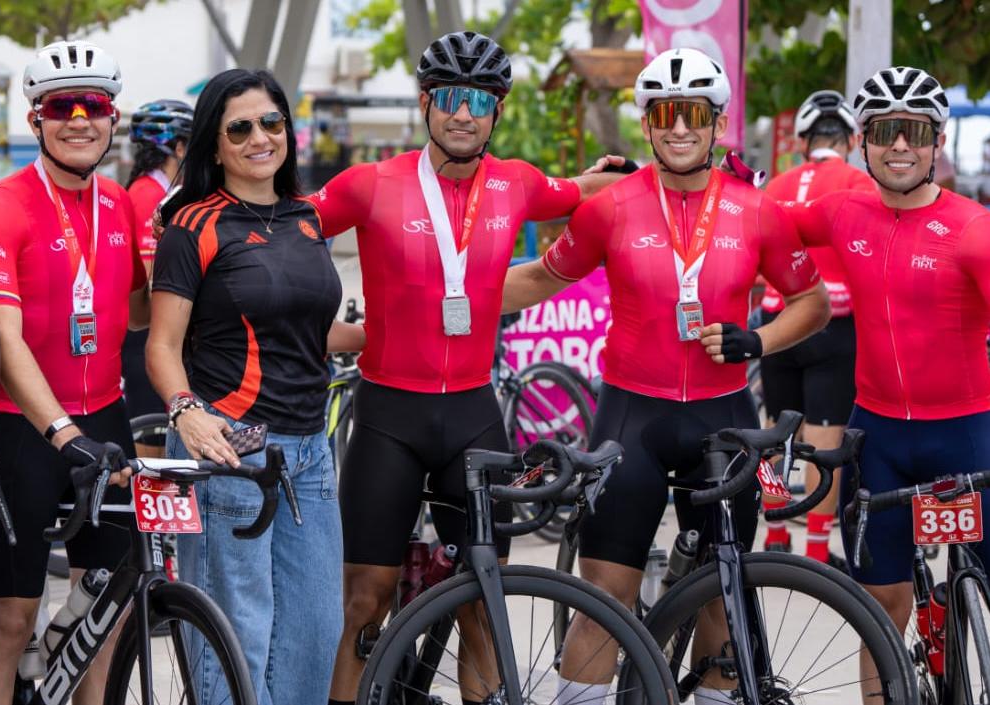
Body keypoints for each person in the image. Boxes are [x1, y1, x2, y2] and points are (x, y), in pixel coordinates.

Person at [308, 31, 628, 705]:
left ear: (495, 112)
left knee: (482, 602)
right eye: (449, 98)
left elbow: (583, 189)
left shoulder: (516, 183)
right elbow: (278, 230)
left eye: (478, 102)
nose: (462, 114)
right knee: (364, 601)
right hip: (387, 416)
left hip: (474, 414)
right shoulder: (369, 184)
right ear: (425, 104)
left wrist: (638, 175)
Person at [503, 47, 829, 703]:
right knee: (604, 593)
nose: (677, 129)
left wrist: (756, 339)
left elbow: (813, 303)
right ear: (646, 122)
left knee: (719, 592)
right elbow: (541, 277)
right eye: (663, 114)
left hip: (722, 417)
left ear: (716, 123)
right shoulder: (610, 207)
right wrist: (437, 295)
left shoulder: (754, 209)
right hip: (631, 418)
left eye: (691, 114)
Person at [147, 68, 361, 705]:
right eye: (238, 128)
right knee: (237, 649)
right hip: (228, 452)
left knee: (316, 638)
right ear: (214, 144)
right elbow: (161, 345)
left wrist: (390, 337)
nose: (259, 138)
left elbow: (306, 332)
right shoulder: (192, 226)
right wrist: (186, 412)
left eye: (271, 122)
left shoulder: (306, 218)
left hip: (310, 454)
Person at [785, 66, 990, 705]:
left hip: (969, 436)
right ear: (864, 141)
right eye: (885, 132)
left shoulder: (975, 227)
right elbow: (760, 223)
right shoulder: (844, 211)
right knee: (881, 606)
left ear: (936, 143)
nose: (900, 145)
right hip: (880, 439)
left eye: (914, 132)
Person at [0, 40, 149, 705]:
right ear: (34, 118)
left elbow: (137, 317)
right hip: (24, 430)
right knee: (10, 620)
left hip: (105, 414)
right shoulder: (0, 205)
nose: (78, 119)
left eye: (92, 105)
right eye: (60, 106)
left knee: (105, 617)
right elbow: (4, 339)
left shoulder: (122, 206)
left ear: (112, 117)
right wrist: (62, 433)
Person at [756, 90, 873, 565]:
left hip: (776, 316)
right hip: (832, 320)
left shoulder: (777, 183)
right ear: (849, 138)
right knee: (826, 435)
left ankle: (777, 533)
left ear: (804, 141)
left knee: (775, 429)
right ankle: (820, 549)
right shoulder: (856, 183)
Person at [122, 99, 193, 446]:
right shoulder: (151, 197)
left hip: (147, 334)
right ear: (178, 147)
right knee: (153, 456)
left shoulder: (146, 190)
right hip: (148, 335)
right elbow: (154, 280)